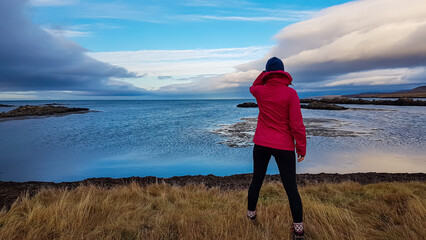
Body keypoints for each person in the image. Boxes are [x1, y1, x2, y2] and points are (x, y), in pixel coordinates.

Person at [246, 57, 307, 239]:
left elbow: (253, 85)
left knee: (256, 180)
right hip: (284, 147)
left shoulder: (260, 91)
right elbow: (297, 125)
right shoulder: (291, 94)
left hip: (261, 144)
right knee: (291, 188)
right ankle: (298, 230)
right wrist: (301, 148)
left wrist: (264, 75)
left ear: (267, 73)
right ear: (282, 72)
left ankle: (251, 216)